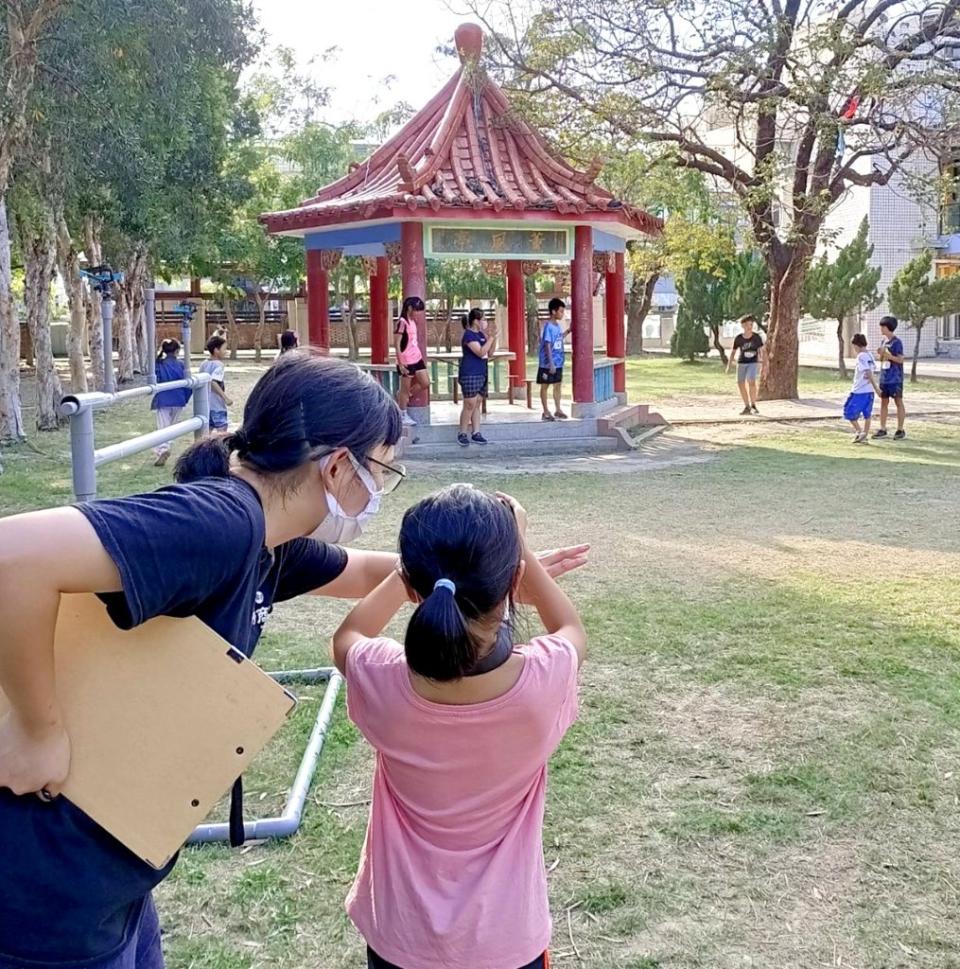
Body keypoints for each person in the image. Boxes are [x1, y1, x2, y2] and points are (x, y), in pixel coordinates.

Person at [0, 355, 412, 969]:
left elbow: (363, 574)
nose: (378, 491)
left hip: (115, 870)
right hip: (48, 879)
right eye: (381, 470)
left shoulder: (270, 543)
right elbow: (14, 554)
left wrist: (483, 563)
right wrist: (38, 730)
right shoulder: (222, 521)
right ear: (336, 465)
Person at [332, 485, 588, 969]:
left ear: (411, 588)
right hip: (507, 940)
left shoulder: (384, 680)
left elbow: (348, 636)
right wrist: (521, 547)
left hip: (398, 936)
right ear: (513, 583)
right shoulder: (540, 683)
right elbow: (572, 632)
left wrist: (407, 573)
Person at [457, 307, 498, 447]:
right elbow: (480, 352)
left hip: (482, 371)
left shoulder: (481, 334)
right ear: (475, 321)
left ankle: (476, 432)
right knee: (469, 403)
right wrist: (490, 338)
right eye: (483, 319)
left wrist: (493, 338)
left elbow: (490, 352)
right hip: (470, 373)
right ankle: (462, 432)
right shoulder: (469, 335)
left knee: (478, 403)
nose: (485, 322)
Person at [151, 339, 192, 467]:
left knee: (163, 427)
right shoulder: (181, 365)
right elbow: (188, 384)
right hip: (178, 399)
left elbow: (155, 380)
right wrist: (184, 398)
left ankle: (162, 449)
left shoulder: (159, 364)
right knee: (172, 427)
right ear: (177, 351)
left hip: (163, 399)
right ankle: (163, 448)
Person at [394, 296, 429, 428]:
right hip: (406, 360)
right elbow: (397, 344)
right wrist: (401, 363)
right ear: (409, 308)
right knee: (405, 388)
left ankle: (404, 396)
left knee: (425, 382)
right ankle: (402, 415)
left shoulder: (412, 321)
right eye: (417, 310)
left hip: (417, 358)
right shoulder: (402, 322)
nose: (418, 313)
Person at [873, 315, 907, 440]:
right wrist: (881, 355)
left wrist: (888, 355)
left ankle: (900, 429)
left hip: (895, 378)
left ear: (887, 327)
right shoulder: (884, 341)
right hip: (885, 377)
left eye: (882, 327)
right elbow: (882, 358)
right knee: (883, 402)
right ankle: (882, 428)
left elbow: (900, 359)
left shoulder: (897, 342)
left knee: (898, 401)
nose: (881, 329)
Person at [843, 334, 881, 444]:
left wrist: (876, 388)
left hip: (859, 391)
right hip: (869, 391)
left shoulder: (861, 356)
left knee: (848, 411)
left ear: (856, 345)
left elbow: (868, 372)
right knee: (867, 414)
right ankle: (864, 433)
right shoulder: (870, 355)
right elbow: (871, 371)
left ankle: (860, 432)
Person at [537, 297, 568, 421]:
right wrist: (551, 363)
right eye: (560, 311)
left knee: (557, 385)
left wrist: (569, 331)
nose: (562, 314)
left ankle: (558, 409)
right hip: (548, 363)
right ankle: (545, 411)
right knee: (545, 386)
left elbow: (558, 338)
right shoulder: (548, 326)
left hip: (559, 361)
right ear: (553, 312)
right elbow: (547, 344)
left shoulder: (557, 326)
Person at [726, 315, 764, 415]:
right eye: (747, 324)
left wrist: (764, 362)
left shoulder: (756, 337)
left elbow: (762, 351)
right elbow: (733, 352)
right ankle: (746, 406)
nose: (749, 326)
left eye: (751, 324)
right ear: (743, 326)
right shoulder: (739, 338)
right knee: (740, 383)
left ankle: (753, 405)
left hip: (753, 362)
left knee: (751, 380)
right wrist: (729, 365)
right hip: (742, 363)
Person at [200, 335, 232, 434]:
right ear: (216, 350)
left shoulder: (204, 363)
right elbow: (213, 382)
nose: (226, 351)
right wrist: (225, 398)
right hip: (217, 405)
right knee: (222, 433)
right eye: (224, 349)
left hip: (205, 405)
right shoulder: (219, 365)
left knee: (207, 434)